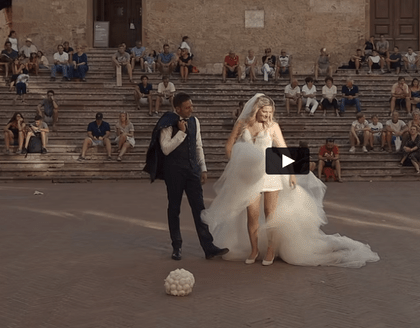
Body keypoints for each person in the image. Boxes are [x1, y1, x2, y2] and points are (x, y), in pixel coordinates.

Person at [200, 93, 379, 267]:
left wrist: (292, 173)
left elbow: (283, 148)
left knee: (271, 213)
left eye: (270, 112)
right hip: (249, 176)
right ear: (256, 109)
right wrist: (236, 164)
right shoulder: (243, 124)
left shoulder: (273, 126)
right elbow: (229, 145)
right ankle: (254, 250)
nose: (268, 115)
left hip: (271, 171)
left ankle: (270, 249)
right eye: (265, 111)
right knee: (252, 215)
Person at [143, 93, 229, 261]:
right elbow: (166, 148)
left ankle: (208, 246)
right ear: (177, 109)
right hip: (174, 172)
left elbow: (198, 145)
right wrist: (181, 133)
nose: (191, 109)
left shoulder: (195, 121)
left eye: (191, 106)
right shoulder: (168, 122)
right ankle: (177, 246)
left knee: (199, 208)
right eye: (187, 107)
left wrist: (203, 168)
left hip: (192, 171)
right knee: (174, 209)